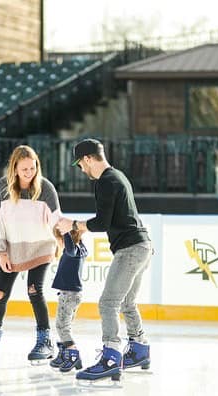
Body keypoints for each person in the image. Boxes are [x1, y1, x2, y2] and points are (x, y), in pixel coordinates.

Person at [56, 138, 152, 382]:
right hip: (143, 246)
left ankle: (111, 357)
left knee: (108, 303)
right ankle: (139, 348)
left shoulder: (105, 182)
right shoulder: (118, 176)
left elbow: (102, 222)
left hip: (130, 249)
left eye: (80, 164)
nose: (81, 170)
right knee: (127, 302)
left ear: (88, 159)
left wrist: (74, 225)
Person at [0, 145, 61, 363]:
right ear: (14, 169)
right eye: (24, 169)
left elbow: (56, 219)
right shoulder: (2, 188)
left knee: (34, 291)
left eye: (33, 168)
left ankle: (44, 340)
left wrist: (63, 241)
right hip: (11, 249)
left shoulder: (45, 188)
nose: (29, 173)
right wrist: (1, 252)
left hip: (41, 247)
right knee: (0, 293)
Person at [49, 227, 87, 373]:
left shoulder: (73, 251)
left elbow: (70, 248)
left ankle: (73, 354)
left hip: (69, 295)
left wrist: (64, 232)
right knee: (65, 326)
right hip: (72, 295)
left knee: (61, 327)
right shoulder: (81, 250)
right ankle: (65, 353)